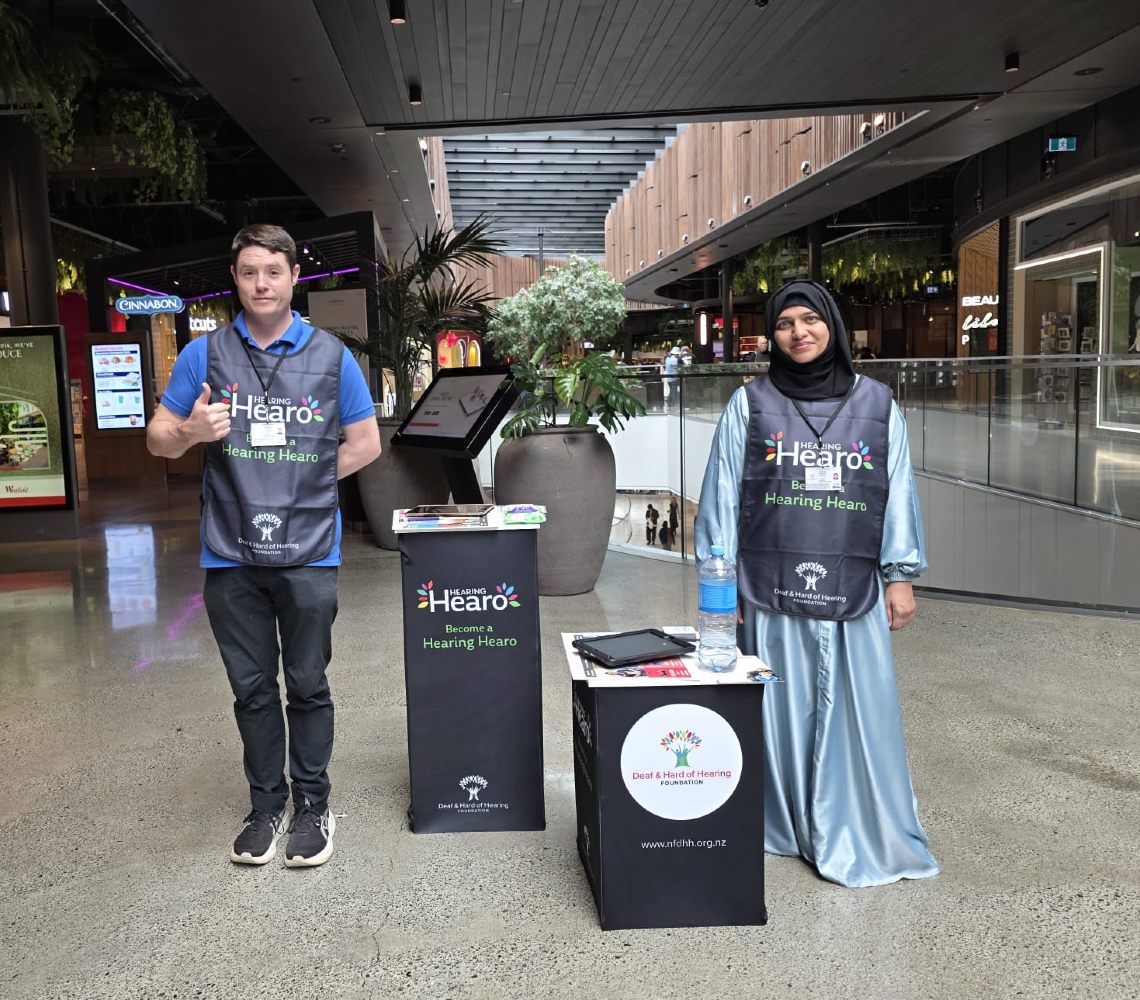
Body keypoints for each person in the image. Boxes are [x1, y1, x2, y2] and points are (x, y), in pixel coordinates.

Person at [147, 224, 381, 869]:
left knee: (306, 683)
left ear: (293, 276)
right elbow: (158, 438)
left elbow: (365, 443)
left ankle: (313, 803)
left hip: (309, 552)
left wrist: (300, 480)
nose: (261, 284)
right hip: (230, 551)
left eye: (273, 272)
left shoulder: (332, 356)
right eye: (250, 272)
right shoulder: (204, 355)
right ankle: (265, 804)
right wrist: (191, 431)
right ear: (236, 277)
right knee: (251, 688)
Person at [694, 279, 938, 888]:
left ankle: (856, 820)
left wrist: (900, 575)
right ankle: (784, 820)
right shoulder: (749, 404)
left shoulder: (879, 404)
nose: (798, 333)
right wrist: (721, 593)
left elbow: (896, 491)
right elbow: (723, 498)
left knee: (860, 711)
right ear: (770, 336)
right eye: (784, 324)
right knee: (780, 710)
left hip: (853, 584)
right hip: (769, 588)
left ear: (831, 323)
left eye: (809, 319)